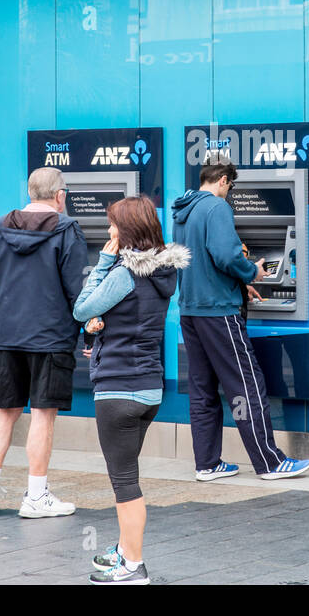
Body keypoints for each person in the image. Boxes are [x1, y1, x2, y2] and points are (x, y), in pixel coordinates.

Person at [73, 195, 190, 585]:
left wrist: (105, 261)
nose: (109, 231)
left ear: (126, 231)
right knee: (128, 474)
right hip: (148, 390)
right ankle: (124, 549)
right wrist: (102, 325)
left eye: (113, 225)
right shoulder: (163, 274)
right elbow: (129, 318)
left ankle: (133, 566)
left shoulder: (124, 273)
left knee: (125, 482)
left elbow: (82, 307)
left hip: (118, 391)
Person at [171, 160, 309, 481]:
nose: (230, 193)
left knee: (202, 389)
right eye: (231, 187)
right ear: (223, 180)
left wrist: (237, 283)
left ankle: (207, 463)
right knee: (246, 385)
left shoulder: (183, 211)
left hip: (191, 311)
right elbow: (225, 255)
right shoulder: (216, 208)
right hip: (219, 312)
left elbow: (201, 262)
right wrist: (253, 272)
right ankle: (270, 462)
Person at [0, 166, 86, 517]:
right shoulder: (67, 230)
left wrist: (7, 315)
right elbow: (77, 293)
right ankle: (36, 496)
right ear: (59, 195)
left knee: (5, 411)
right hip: (51, 338)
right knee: (42, 414)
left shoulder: (0, 226)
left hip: (8, 337)